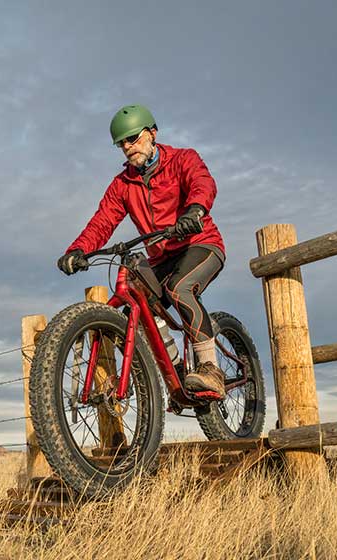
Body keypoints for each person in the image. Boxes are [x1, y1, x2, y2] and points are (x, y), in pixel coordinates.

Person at [56, 104, 227, 398]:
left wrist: (195, 211)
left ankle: (211, 370)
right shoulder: (123, 184)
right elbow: (102, 221)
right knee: (135, 310)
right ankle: (178, 374)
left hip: (199, 244)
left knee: (179, 288)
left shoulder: (183, 159)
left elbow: (202, 183)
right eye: (121, 143)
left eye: (133, 138)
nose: (127, 147)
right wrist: (78, 250)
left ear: (152, 133)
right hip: (161, 257)